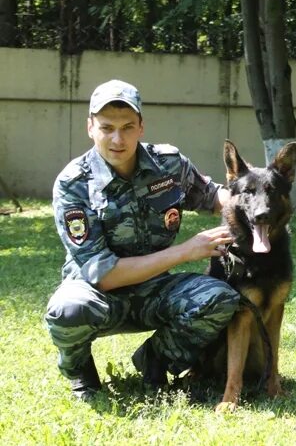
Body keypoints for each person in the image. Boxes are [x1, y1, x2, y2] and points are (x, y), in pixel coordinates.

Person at [45, 80, 241, 401]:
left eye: (127, 127)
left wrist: (258, 200)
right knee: (67, 309)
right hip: (98, 295)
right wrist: (185, 251)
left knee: (219, 298)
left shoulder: (167, 165)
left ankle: (155, 360)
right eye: (107, 127)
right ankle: (81, 371)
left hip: (154, 290)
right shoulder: (74, 183)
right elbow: (102, 274)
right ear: (90, 127)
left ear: (141, 128)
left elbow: (213, 196)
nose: (117, 139)